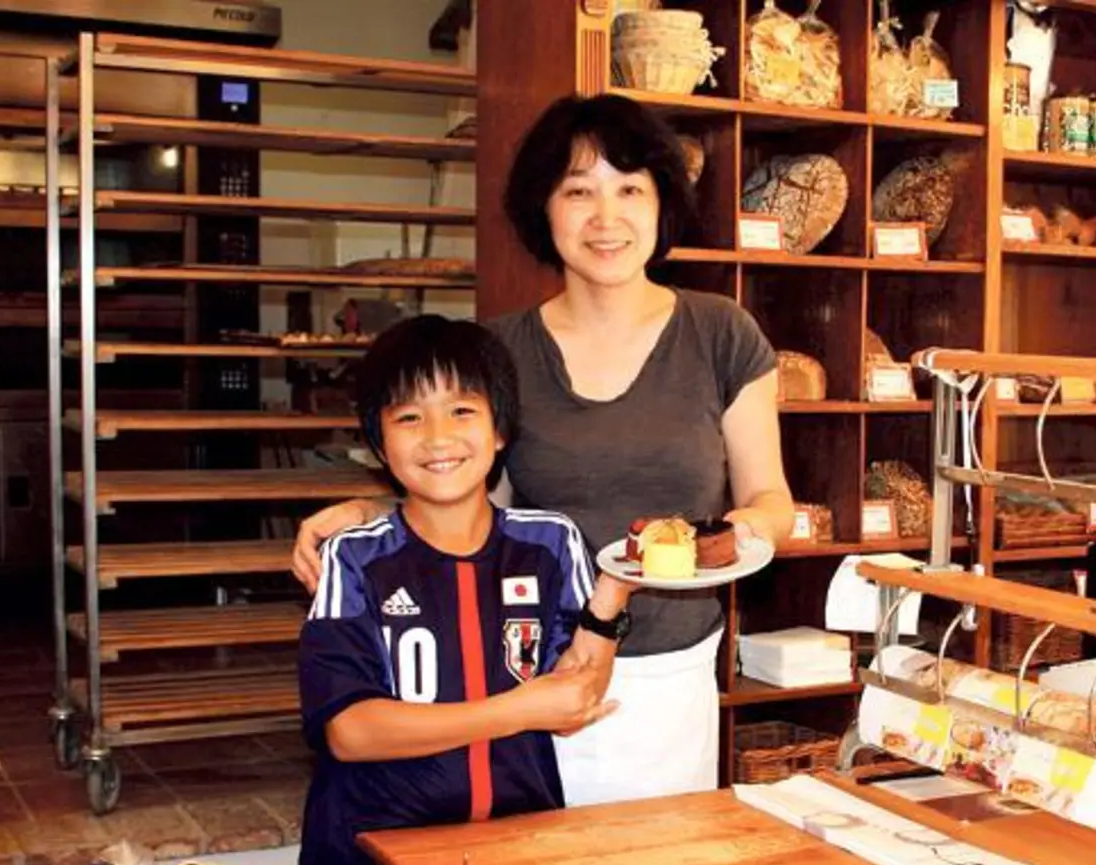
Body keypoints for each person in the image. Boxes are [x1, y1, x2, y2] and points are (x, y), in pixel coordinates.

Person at [293, 93, 794, 807]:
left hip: (672, 666)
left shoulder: (721, 334)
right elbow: (468, 496)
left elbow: (771, 499)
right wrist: (367, 509)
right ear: (544, 209)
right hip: (526, 670)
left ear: (662, 204)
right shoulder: (500, 350)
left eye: (629, 189)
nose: (606, 218)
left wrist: (740, 534)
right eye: (578, 192)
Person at [298, 314, 632, 865]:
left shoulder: (550, 543)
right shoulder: (355, 557)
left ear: (500, 428)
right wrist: (517, 709)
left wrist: (615, 590)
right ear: (378, 443)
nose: (437, 437)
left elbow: (575, 695)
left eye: (461, 411)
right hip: (371, 858)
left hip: (514, 851)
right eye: (408, 417)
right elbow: (350, 730)